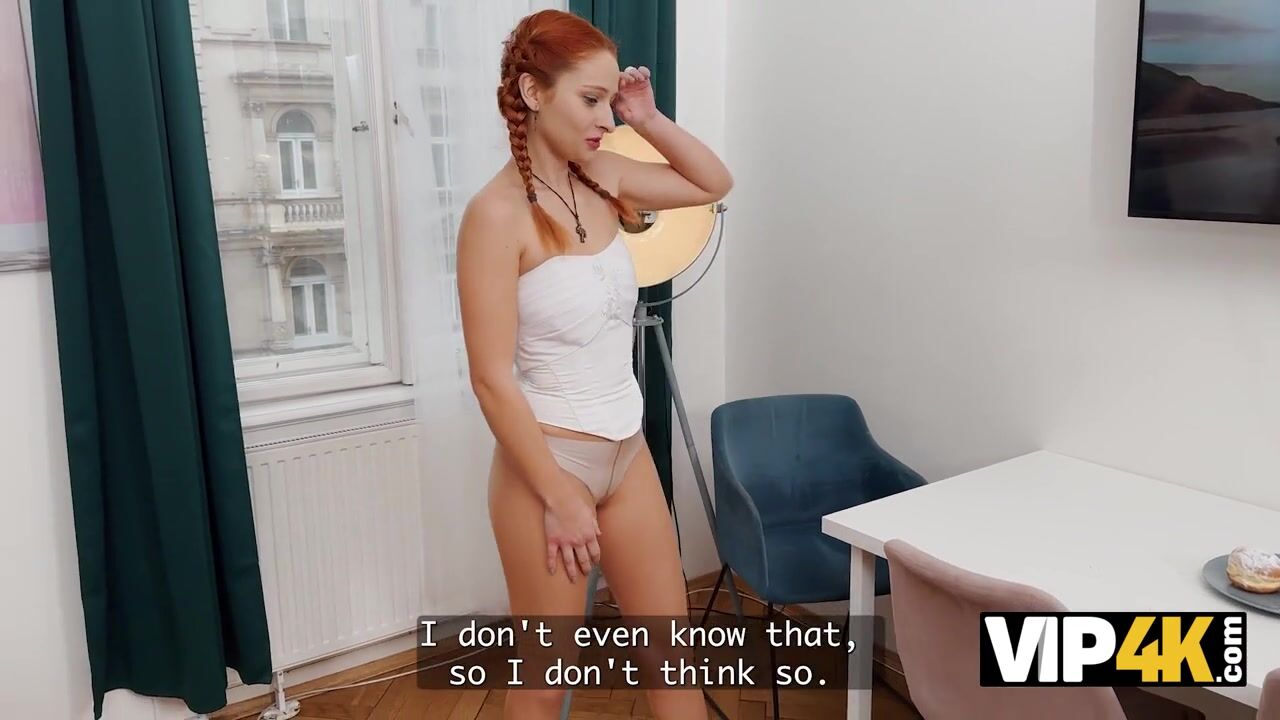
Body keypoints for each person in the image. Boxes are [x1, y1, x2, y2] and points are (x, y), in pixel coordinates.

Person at [455, 8, 732, 720]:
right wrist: (559, 495)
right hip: (548, 465)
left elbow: (712, 182)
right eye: (591, 98)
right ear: (533, 92)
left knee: (672, 663)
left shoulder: (606, 175)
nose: (606, 117)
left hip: (626, 453)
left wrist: (649, 117)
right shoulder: (495, 215)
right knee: (545, 682)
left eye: (611, 100)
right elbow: (490, 378)